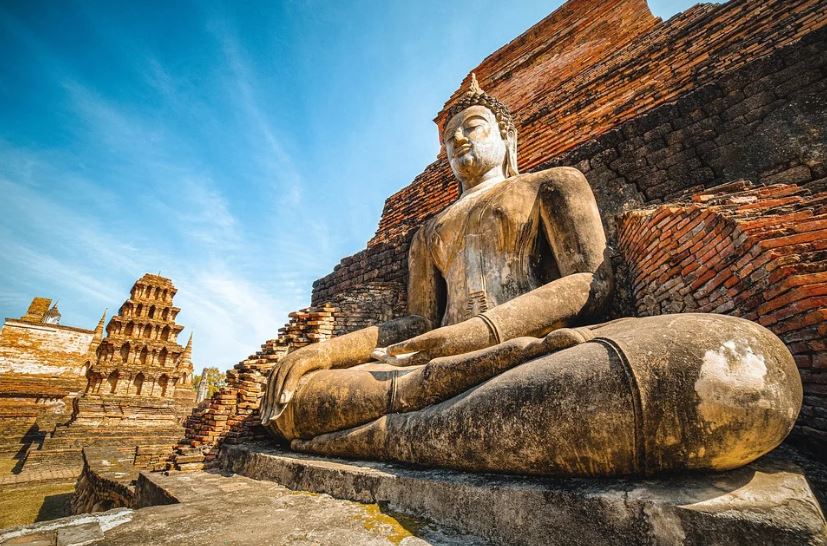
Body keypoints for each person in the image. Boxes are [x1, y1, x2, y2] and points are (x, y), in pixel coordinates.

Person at [260, 75, 801, 477]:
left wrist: (481, 335)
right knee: (291, 398)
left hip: (526, 350)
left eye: (473, 127)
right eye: (449, 138)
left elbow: (592, 282)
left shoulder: (551, 184)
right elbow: (417, 322)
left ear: (508, 138)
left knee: (737, 368)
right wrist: (324, 353)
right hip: (432, 368)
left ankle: (383, 435)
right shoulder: (427, 233)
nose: (458, 143)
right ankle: (413, 428)